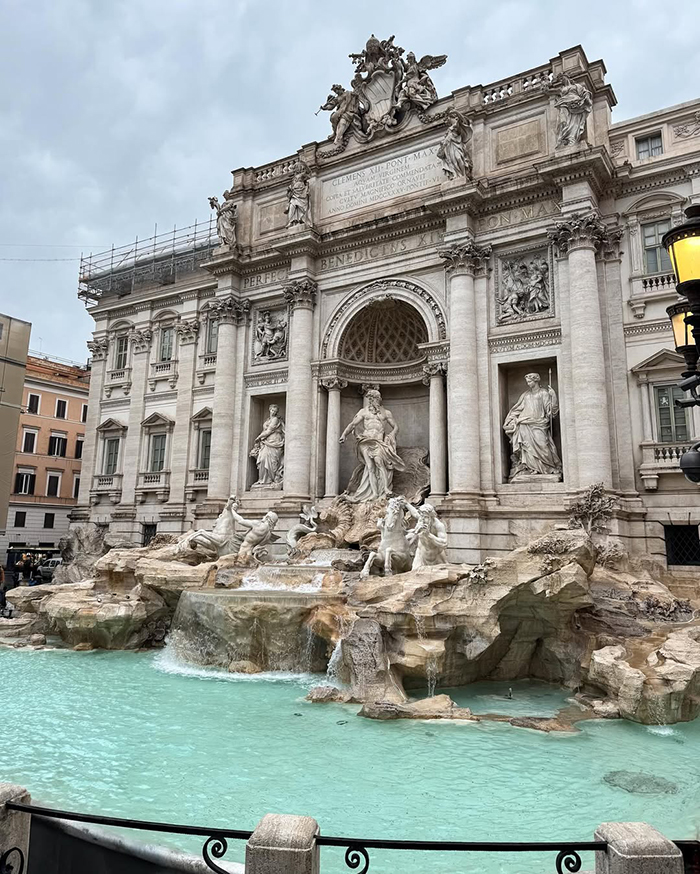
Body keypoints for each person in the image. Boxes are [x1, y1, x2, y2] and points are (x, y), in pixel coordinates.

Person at [339, 389, 405, 502]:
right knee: (370, 467)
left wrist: (392, 435)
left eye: (375, 398)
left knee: (380, 463)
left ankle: (385, 489)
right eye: (371, 399)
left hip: (378, 441)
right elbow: (353, 424)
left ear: (379, 399)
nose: (373, 401)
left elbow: (396, 427)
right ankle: (374, 493)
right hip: (365, 441)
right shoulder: (363, 412)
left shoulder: (386, 413)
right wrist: (344, 435)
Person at [503, 373, 562, 482]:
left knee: (543, 445)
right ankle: (531, 468)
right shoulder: (526, 395)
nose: (528, 384)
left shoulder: (543, 393)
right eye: (527, 382)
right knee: (527, 448)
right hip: (524, 424)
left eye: (530, 381)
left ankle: (548, 467)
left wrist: (553, 396)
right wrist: (510, 420)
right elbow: (517, 409)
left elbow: (551, 411)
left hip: (539, 423)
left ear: (536, 381)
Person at [250, 405, 285, 487]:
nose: (274, 412)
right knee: (262, 459)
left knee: (272, 461)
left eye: (275, 411)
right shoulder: (268, 420)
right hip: (266, 441)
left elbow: (269, 431)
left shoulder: (275, 419)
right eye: (272, 410)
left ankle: (270, 479)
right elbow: (265, 431)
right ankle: (262, 480)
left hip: (275, 441)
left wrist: (259, 437)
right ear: (270, 410)